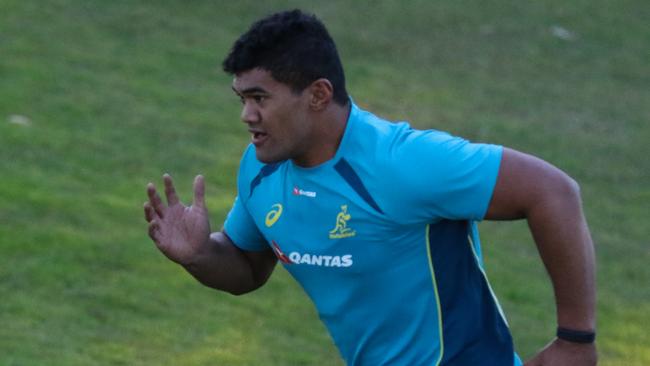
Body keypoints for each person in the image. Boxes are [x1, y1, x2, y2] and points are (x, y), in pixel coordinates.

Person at [144, 9, 597, 366]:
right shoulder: (262, 168)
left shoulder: (401, 163)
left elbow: (552, 191)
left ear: (318, 95)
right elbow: (246, 267)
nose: (247, 115)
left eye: (260, 98)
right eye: (242, 99)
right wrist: (200, 255)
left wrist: (575, 340)